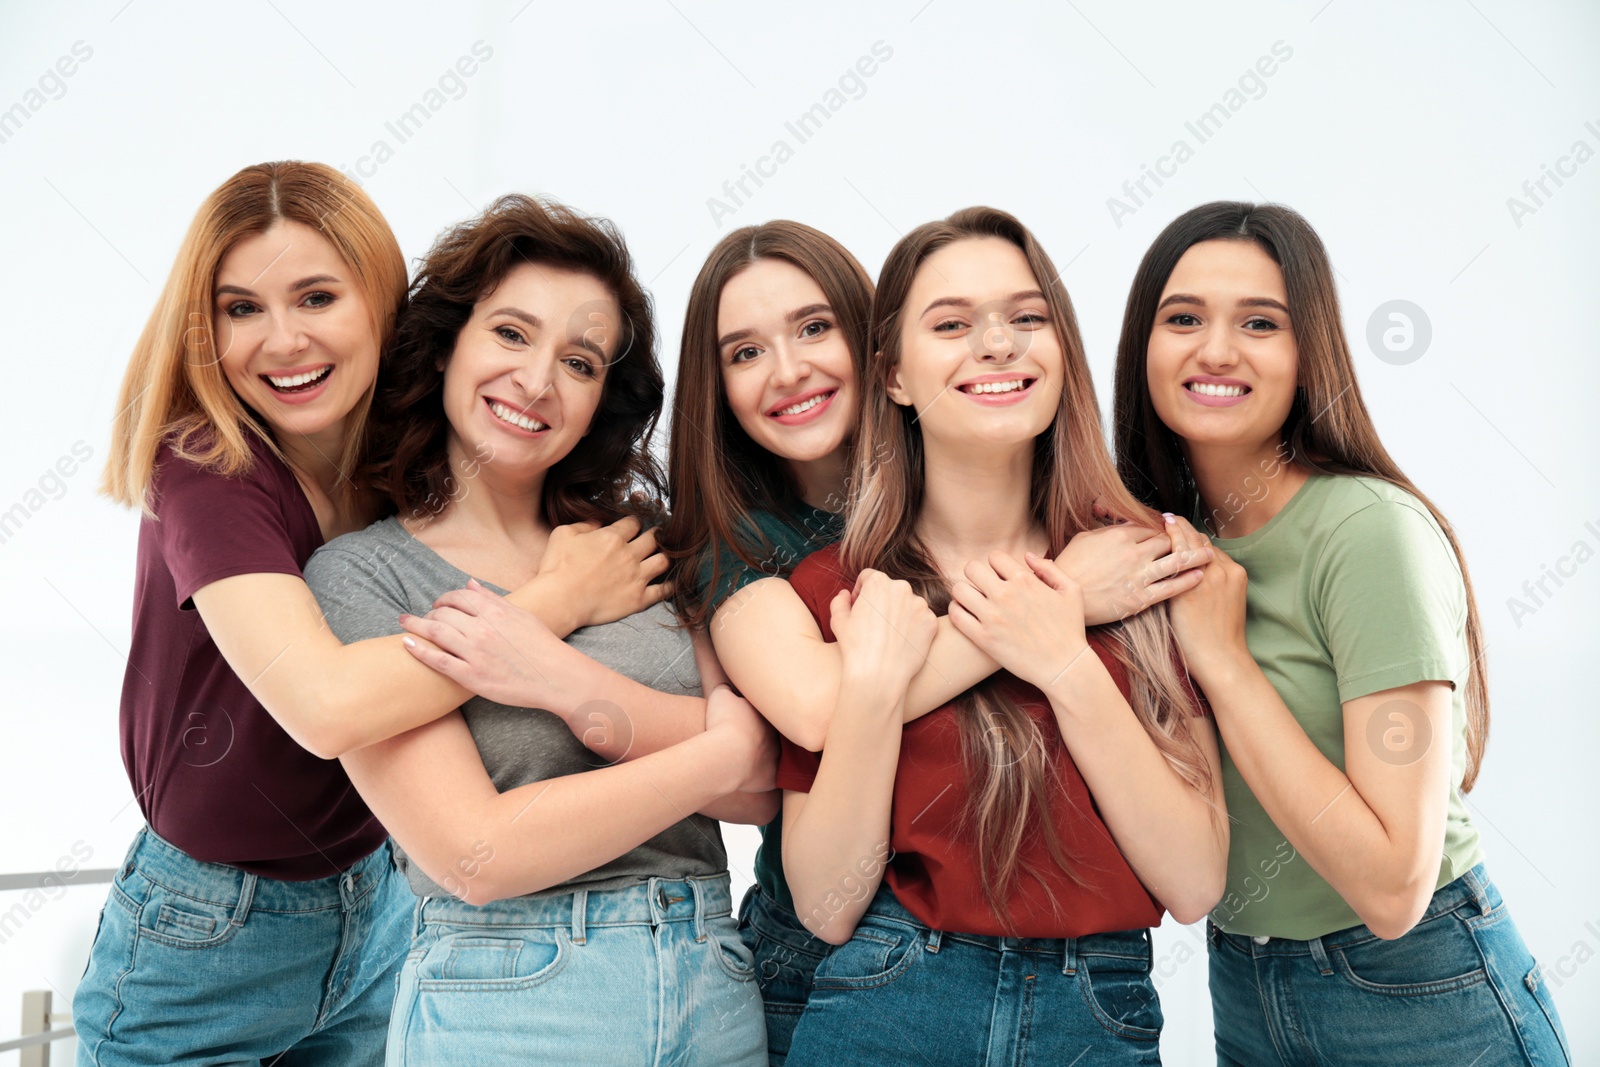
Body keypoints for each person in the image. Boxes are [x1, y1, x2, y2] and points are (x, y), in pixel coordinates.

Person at [77, 162, 662, 1067]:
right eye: (241, 309)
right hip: (208, 929)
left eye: (316, 297)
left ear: (380, 302)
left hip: (377, 906)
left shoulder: (399, 466)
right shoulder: (209, 469)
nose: (283, 341)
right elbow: (326, 707)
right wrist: (555, 599)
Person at [303, 193, 776, 1066]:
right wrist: (710, 753)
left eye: (581, 361)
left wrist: (569, 686)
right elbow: (476, 852)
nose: (537, 382)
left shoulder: (643, 546)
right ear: (446, 343)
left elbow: (767, 789)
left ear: (604, 398)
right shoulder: (365, 575)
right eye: (512, 334)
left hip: (712, 985)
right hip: (509, 1002)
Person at [758, 207, 1227, 1065]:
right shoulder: (835, 590)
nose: (999, 344)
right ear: (894, 376)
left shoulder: (1142, 567)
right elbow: (826, 901)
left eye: (1028, 317)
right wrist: (872, 686)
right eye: (951, 324)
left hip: (1101, 1010)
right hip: (886, 1001)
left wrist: (1060, 653)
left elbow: (1194, 881)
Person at [1112, 200, 1571, 1065]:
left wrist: (1225, 660)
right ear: (1144, 343)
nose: (1216, 349)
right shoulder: (1151, 542)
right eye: (1183, 318)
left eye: (1260, 322)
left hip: (1417, 989)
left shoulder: (1368, 532)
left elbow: (1394, 886)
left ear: (1307, 353)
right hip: (1245, 983)